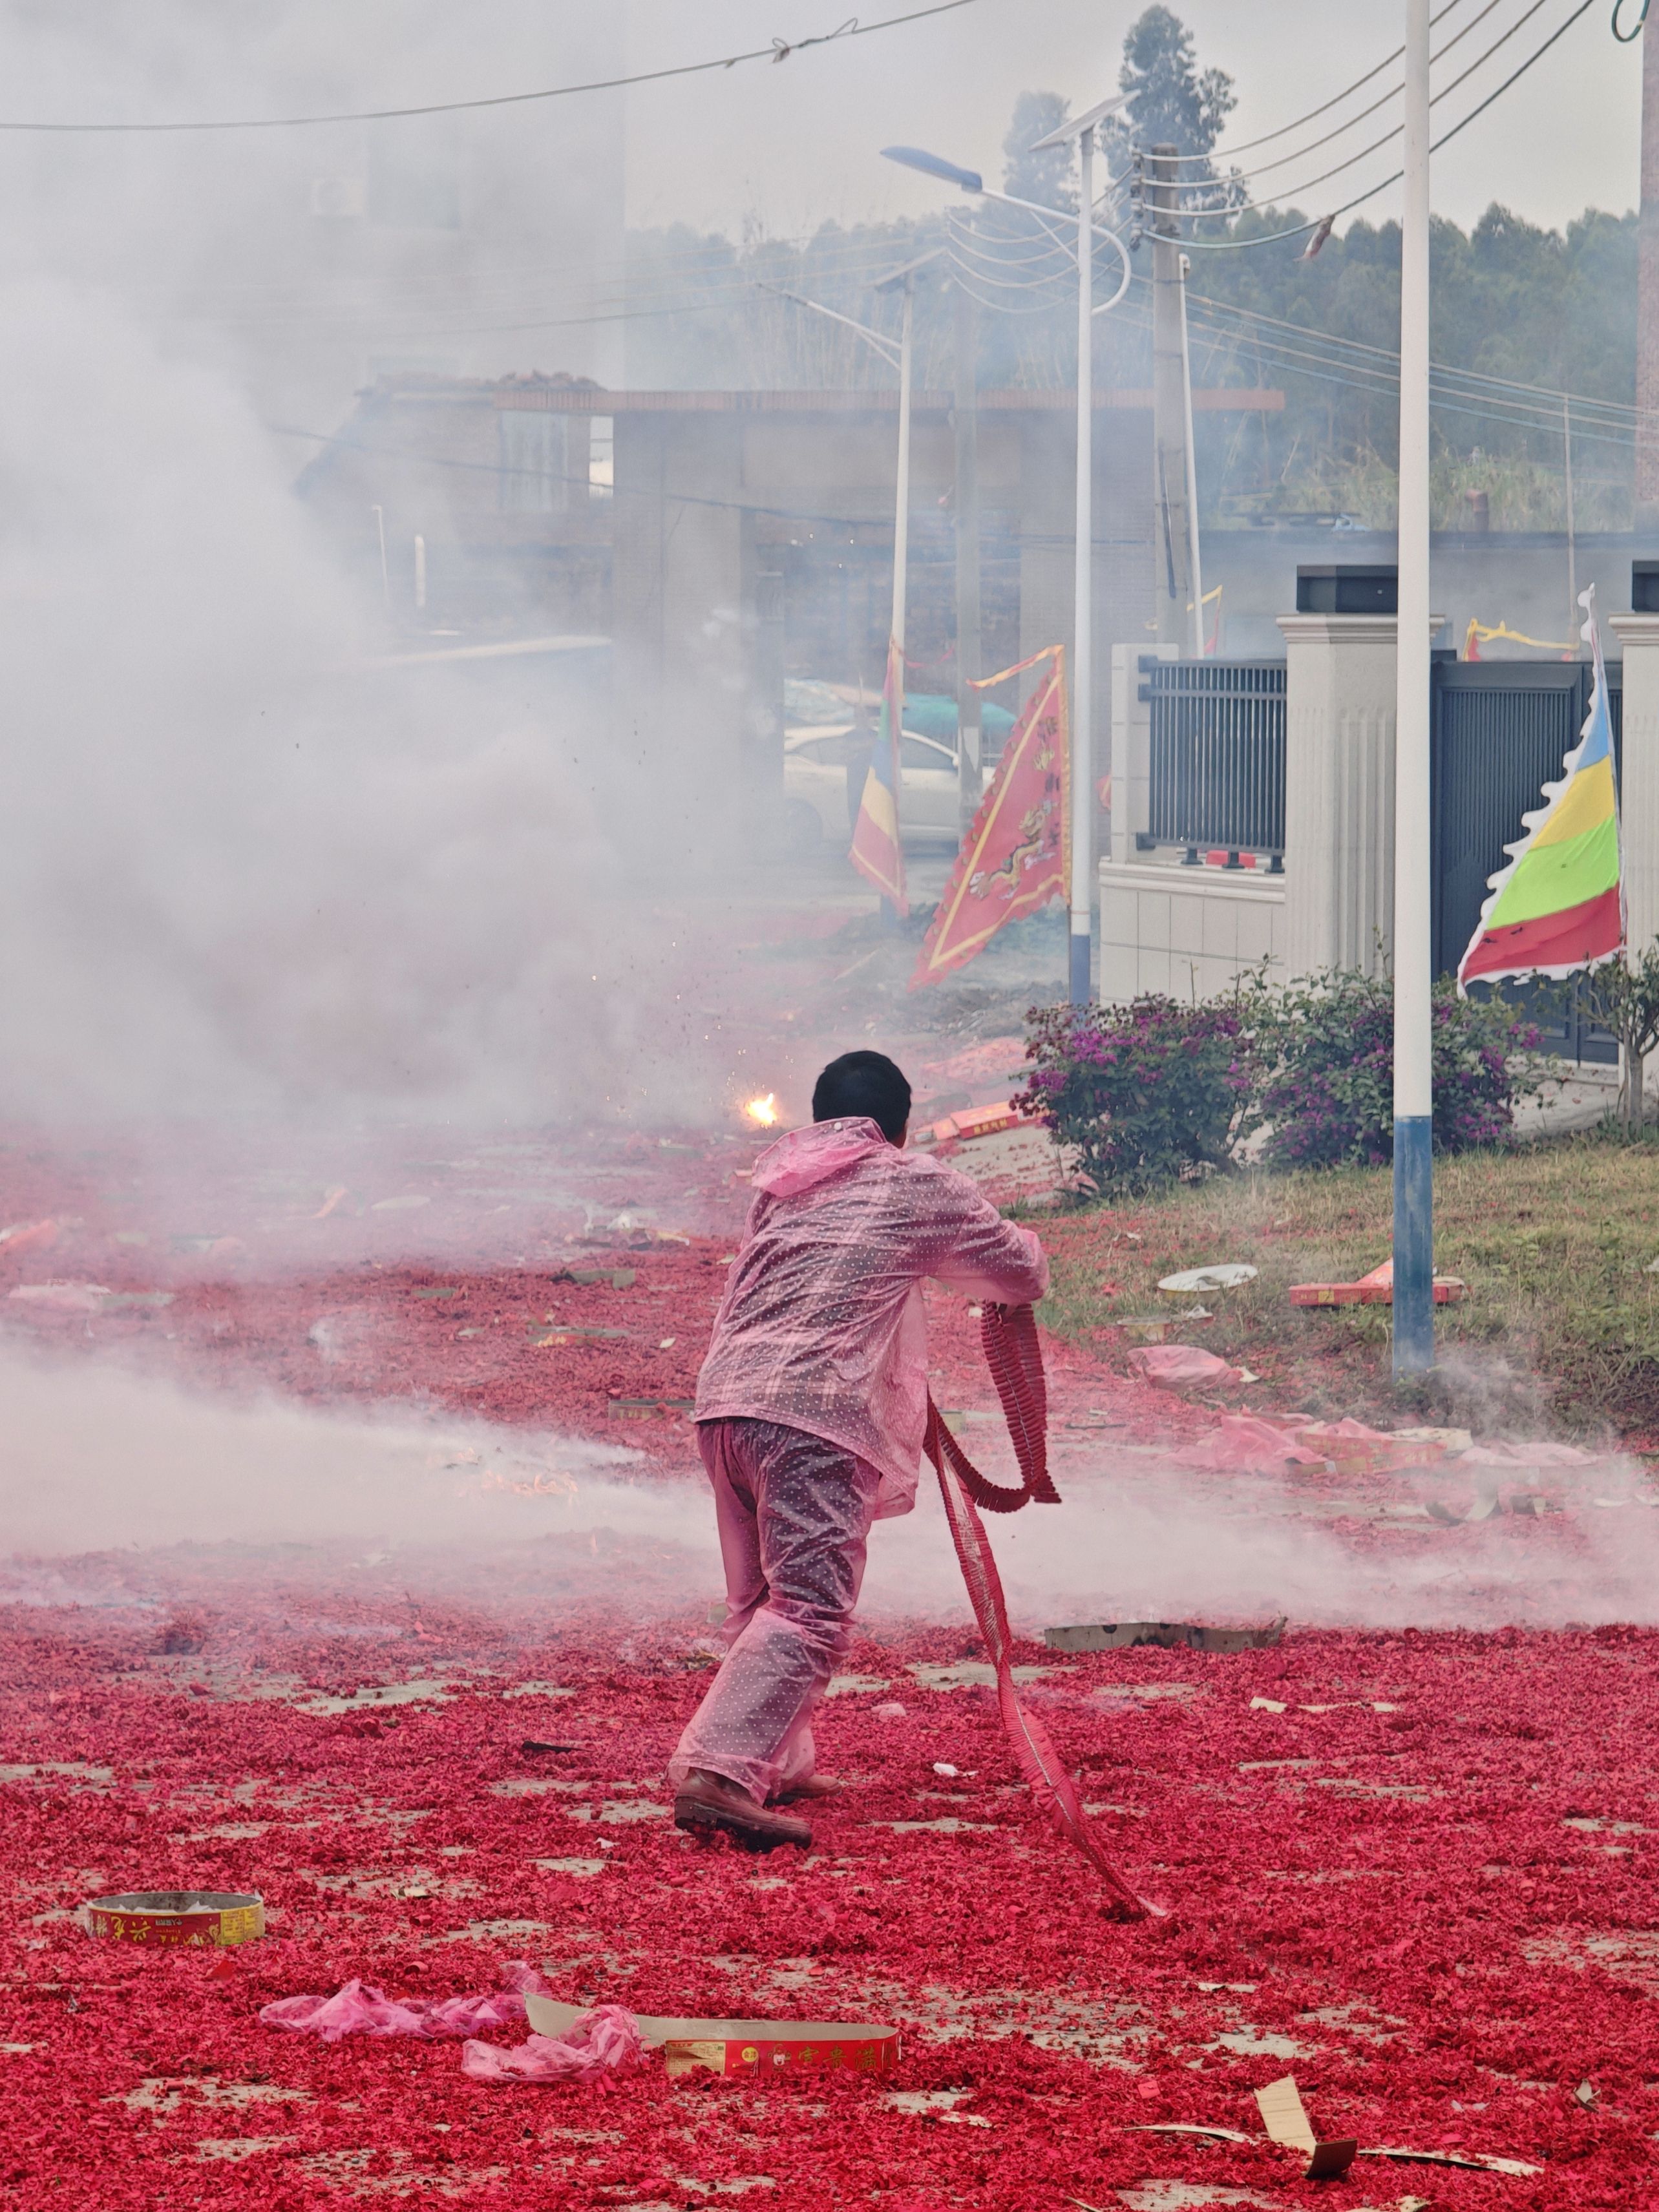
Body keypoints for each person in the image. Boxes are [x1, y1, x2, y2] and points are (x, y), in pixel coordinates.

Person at [670, 1049, 1048, 1849]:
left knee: (761, 1601)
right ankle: (718, 1775)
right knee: (809, 1607)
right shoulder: (913, 1183)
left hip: (725, 1405)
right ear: (899, 1128)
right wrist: (1031, 1249)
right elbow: (1017, 1272)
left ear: (822, 1121)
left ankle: (772, 1762)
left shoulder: (783, 1185)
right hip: (811, 1415)